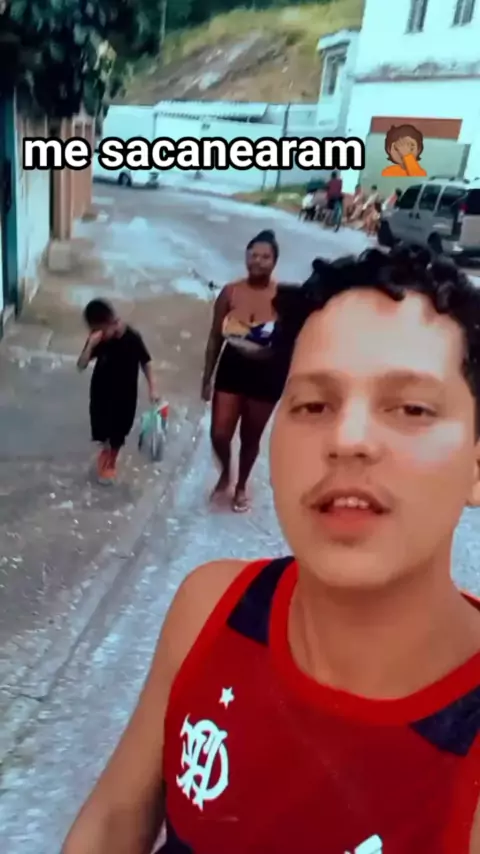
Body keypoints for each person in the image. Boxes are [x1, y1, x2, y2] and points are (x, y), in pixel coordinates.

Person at [63, 245, 480, 853]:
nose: (348, 439)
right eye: (313, 404)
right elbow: (113, 820)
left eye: (412, 407)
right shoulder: (213, 608)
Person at [200, 229, 287, 513]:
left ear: (274, 261)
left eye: (265, 257)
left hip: (268, 373)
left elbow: (293, 343)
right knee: (219, 434)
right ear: (246, 257)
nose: (257, 261)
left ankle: (241, 485)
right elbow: (214, 337)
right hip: (233, 367)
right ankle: (226, 471)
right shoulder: (230, 292)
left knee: (251, 437)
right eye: (253, 255)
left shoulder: (284, 297)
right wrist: (207, 377)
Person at [77, 299, 157, 484]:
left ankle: (111, 460)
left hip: (125, 395)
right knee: (101, 429)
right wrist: (90, 345)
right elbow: (81, 365)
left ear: (110, 322)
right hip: (101, 393)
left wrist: (153, 388)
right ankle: (106, 450)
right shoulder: (98, 339)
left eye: (99, 330)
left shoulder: (132, 338)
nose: (97, 334)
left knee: (119, 431)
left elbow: (146, 362)